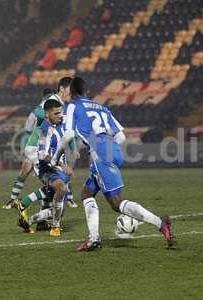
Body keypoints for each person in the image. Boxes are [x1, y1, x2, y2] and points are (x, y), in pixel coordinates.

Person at [59, 77, 176, 251]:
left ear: (72, 92)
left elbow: (68, 135)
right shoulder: (102, 107)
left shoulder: (73, 105)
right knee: (86, 194)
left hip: (100, 155)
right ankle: (93, 238)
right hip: (113, 151)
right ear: (87, 91)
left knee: (117, 203)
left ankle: (161, 223)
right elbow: (121, 136)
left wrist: (56, 158)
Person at [3, 77, 76, 209]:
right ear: (62, 89)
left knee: (41, 173)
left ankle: (17, 202)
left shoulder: (62, 105)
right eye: (71, 90)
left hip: (44, 144)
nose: (72, 94)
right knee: (53, 175)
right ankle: (22, 203)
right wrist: (44, 120)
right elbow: (35, 113)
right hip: (39, 145)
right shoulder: (52, 101)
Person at [16, 99, 72, 237]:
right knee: (60, 188)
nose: (60, 115)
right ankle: (55, 228)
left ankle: (28, 220)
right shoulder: (45, 130)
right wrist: (61, 164)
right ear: (47, 114)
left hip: (60, 170)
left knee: (60, 210)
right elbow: (42, 154)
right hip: (47, 169)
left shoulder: (63, 122)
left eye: (61, 112)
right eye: (56, 113)